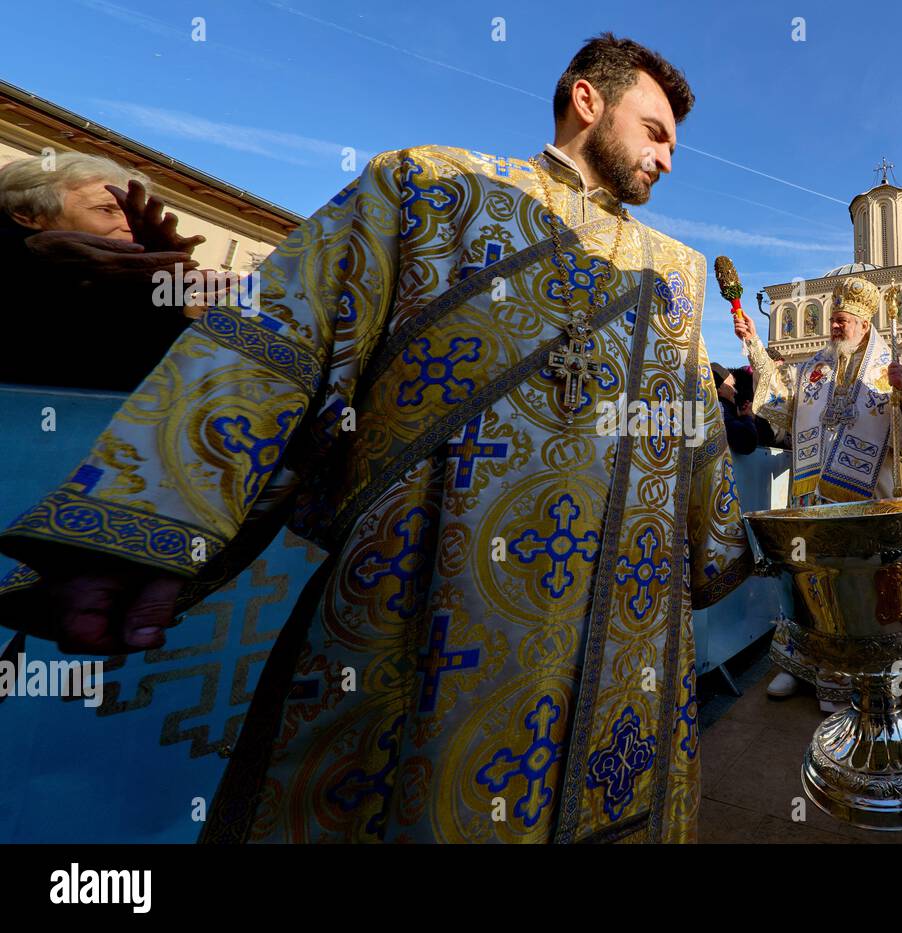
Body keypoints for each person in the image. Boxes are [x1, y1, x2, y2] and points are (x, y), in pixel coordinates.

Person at [0, 34, 751, 845]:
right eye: (657, 132)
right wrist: (142, 517)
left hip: (623, 643)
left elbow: (694, 434)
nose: (669, 159)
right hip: (422, 615)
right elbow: (279, 338)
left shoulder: (673, 271)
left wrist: (717, 546)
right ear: (586, 101)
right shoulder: (425, 186)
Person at [733, 276, 902, 709]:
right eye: (832, 320)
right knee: (803, 582)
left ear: (864, 324)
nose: (835, 328)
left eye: (842, 321)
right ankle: (797, 664)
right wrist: (752, 344)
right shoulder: (813, 368)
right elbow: (779, 402)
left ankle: (843, 677)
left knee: (852, 591)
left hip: (862, 500)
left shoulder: (889, 370)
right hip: (809, 499)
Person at [0, 153, 205, 390]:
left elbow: (155, 376)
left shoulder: (124, 287)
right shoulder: (21, 274)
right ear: (29, 215)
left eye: (132, 214)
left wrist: (165, 280)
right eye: (106, 210)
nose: (128, 226)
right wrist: (23, 258)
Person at [711, 361, 758, 454]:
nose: (735, 391)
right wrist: (748, 417)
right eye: (732, 385)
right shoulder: (720, 409)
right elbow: (746, 443)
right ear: (719, 388)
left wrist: (741, 416)